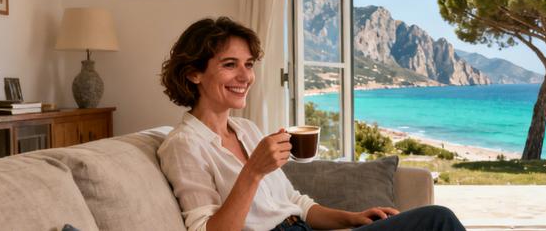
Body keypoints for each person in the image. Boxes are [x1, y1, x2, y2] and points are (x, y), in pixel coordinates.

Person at [158, 17, 465, 231]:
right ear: (193, 73)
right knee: (437, 221)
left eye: (248, 65)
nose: (245, 76)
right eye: (229, 65)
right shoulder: (183, 145)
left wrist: (352, 218)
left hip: (302, 229)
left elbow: (295, 203)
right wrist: (252, 171)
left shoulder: (246, 130)